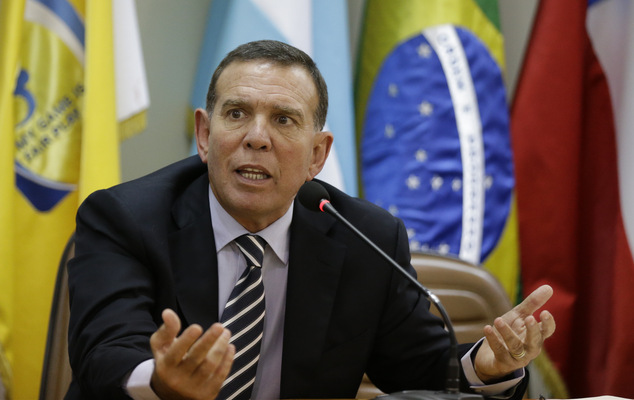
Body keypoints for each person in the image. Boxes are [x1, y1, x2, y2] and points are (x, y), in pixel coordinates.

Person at [65, 40, 555, 400]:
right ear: (204, 133)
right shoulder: (125, 218)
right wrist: (160, 380)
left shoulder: (367, 237)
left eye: (283, 120)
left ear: (318, 155)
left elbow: (422, 370)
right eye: (236, 114)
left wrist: (488, 366)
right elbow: (103, 355)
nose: (256, 138)